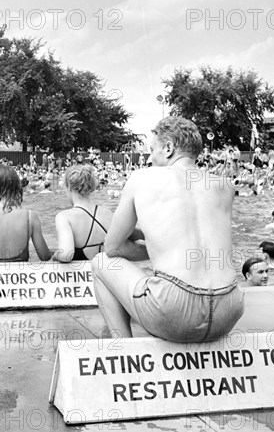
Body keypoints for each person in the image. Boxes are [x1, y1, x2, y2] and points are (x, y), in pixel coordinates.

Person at [91, 116, 244, 342]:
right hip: (229, 308)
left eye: (152, 150)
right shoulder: (224, 185)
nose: (150, 157)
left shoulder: (142, 178)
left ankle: (122, 348)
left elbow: (112, 248)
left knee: (100, 263)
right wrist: (155, 240)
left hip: (175, 310)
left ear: (169, 148)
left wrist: (150, 245)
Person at [53, 164, 113, 263]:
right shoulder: (107, 213)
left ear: (69, 188)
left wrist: (55, 255)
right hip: (105, 274)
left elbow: (66, 255)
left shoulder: (64, 217)